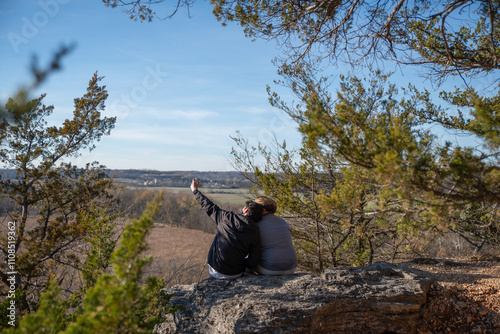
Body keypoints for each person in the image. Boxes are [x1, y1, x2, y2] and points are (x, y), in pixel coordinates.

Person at [190, 178, 263, 279]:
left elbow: (208, 206)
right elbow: (253, 261)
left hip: (216, 269)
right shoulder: (255, 232)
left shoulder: (226, 217)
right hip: (236, 273)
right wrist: (240, 263)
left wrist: (195, 191)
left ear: (245, 210)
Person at [253, 196, 298, 275]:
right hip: (292, 268)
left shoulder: (256, 224)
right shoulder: (283, 222)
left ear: (263, 210)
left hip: (270, 269)